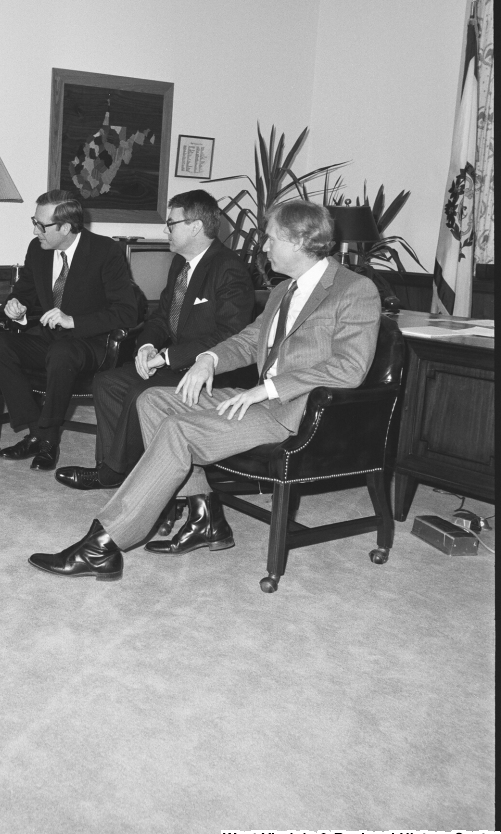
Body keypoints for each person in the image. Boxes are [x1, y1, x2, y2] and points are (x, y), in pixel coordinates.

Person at [27, 200, 382, 581]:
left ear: (298, 242)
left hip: (296, 413)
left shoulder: (354, 290)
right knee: (152, 400)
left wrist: (267, 390)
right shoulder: (283, 290)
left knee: (180, 431)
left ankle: (103, 543)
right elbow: (248, 341)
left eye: (272, 238)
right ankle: (203, 516)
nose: (263, 246)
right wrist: (208, 360)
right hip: (261, 402)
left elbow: (349, 368)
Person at [55, 190, 255, 492]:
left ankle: (123, 474)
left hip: (210, 371)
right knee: (107, 382)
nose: (166, 230)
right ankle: (114, 468)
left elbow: (230, 335)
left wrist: (169, 357)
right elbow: (162, 316)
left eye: (171, 223)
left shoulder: (228, 269)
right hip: (175, 363)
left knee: (140, 391)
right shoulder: (181, 263)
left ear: (195, 226)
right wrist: (147, 345)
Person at [0, 190, 138, 472]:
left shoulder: (105, 252)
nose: (35, 230)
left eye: (41, 225)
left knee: (62, 352)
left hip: (89, 343)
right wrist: (13, 304)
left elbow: (127, 312)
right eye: (35, 221)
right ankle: (40, 433)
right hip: (49, 340)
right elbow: (24, 291)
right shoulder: (37, 250)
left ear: (66, 227)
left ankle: (45, 441)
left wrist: (73, 321)